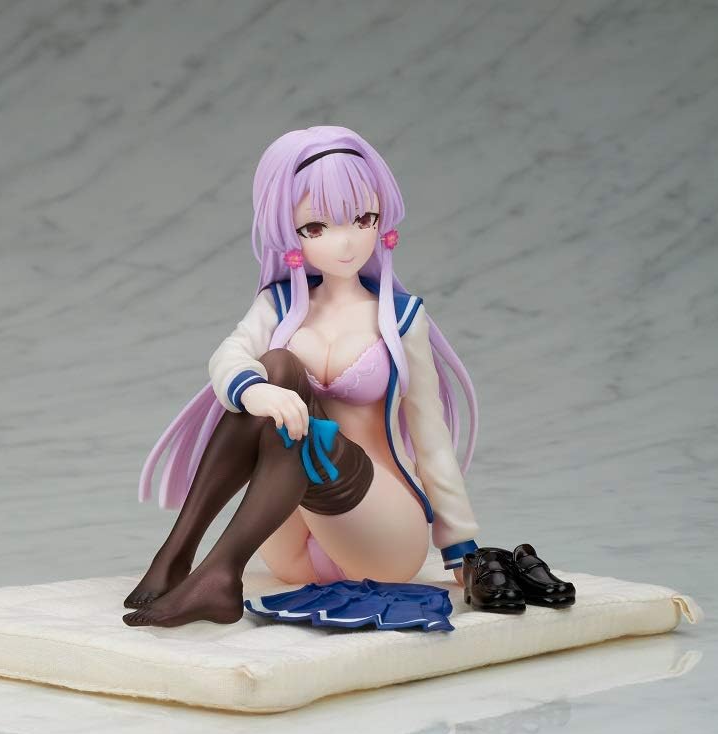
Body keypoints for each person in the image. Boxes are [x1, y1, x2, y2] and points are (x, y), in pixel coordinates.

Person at [128, 126, 481, 627]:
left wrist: (461, 546)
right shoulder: (279, 305)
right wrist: (255, 392)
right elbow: (229, 355)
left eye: (363, 219)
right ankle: (180, 553)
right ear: (288, 233)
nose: (345, 241)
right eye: (316, 227)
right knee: (276, 368)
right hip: (289, 543)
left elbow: (431, 437)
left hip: (381, 530)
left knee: (299, 416)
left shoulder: (401, 318)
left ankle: (217, 572)